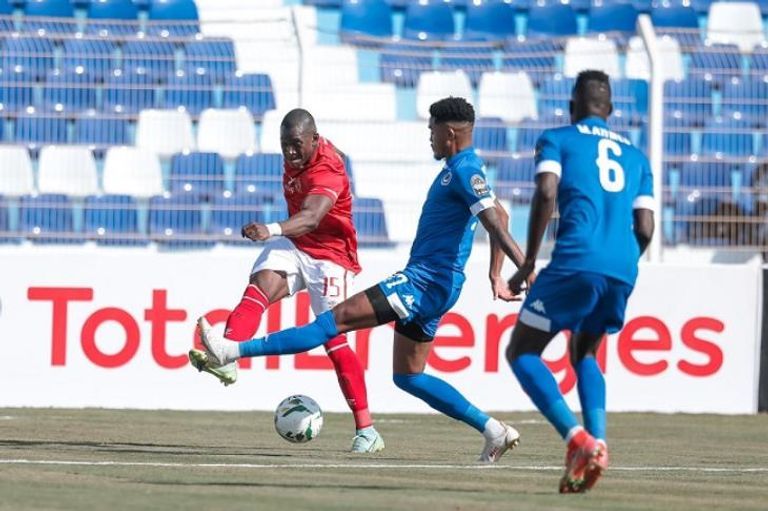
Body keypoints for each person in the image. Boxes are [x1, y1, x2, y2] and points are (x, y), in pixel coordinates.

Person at [194, 96, 532, 462]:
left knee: (330, 325)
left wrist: (524, 271)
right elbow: (500, 213)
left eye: (432, 131)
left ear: (449, 133)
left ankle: (232, 350)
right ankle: (494, 431)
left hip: (422, 283)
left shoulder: (464, 170)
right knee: (409, 377)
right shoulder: (466, 167)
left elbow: (495, 222)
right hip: (438, 285)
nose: (429, 138)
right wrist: (495, 274)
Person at [189, 108, 384, 453]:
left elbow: (310, 218)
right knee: (258, 287)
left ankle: (367, 431)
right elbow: (303, 226)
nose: (290, 153)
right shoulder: (297, 155)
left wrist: (271, 230)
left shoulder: (329, 168)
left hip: (331, 257)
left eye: (296, 145)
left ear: (314, 138)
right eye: (284, 145)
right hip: (296, 245)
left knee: (333, 339)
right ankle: (227, 357)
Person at [504, 70, 655, 493]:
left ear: (573, 107)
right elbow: (645, 227)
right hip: (623, 265)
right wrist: (619, 262)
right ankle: (600, 442)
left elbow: (547, 191)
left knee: (521, 350)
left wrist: (529, 260)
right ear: (610, 110)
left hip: (575, 259)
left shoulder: (558, 138)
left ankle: (577, 440)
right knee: (585, 350)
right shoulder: (638, 158)